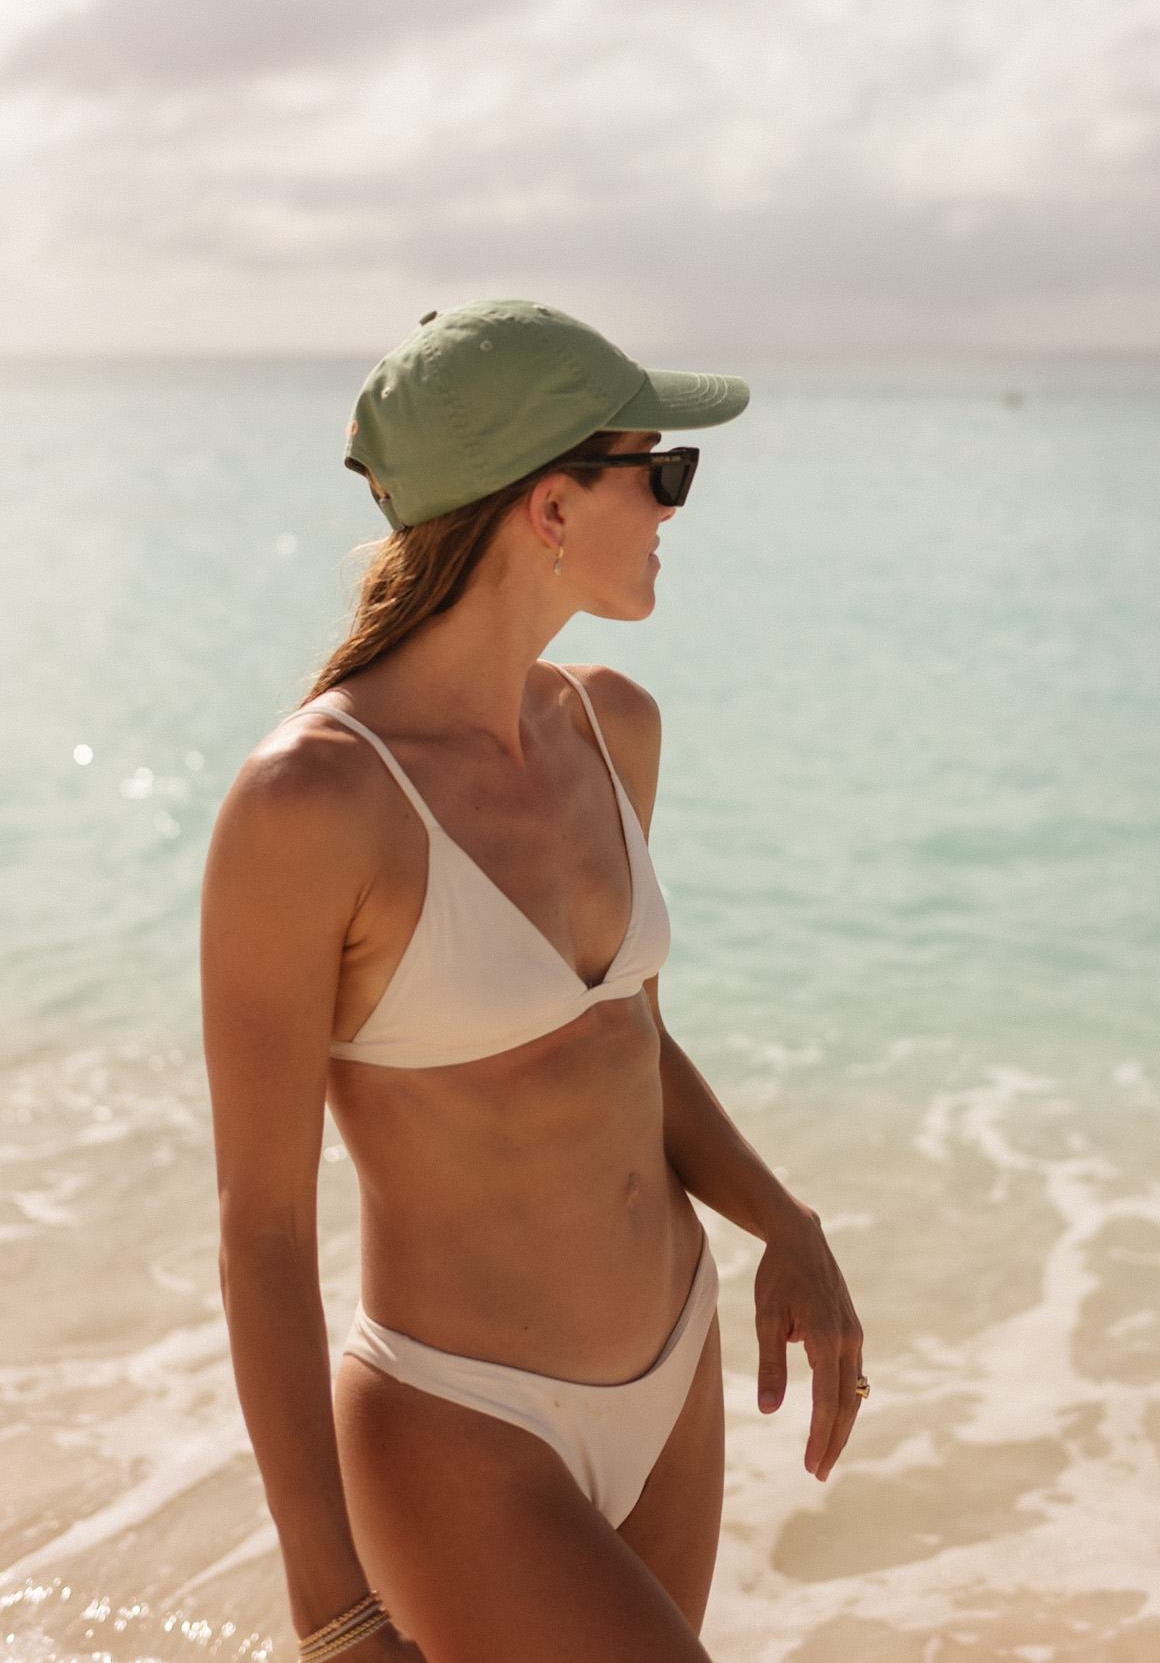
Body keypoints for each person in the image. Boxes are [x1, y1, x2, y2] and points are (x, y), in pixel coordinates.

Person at [201, 301, 866, 1663]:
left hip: (671, 1378)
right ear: (549, 508)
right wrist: (330, 1608)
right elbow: (264, 1228)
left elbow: (625, 1049)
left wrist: (781, 1221)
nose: (676, 506)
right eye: (658, 470)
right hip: (465, 1426)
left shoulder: (613, 726)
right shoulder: (312, 803)